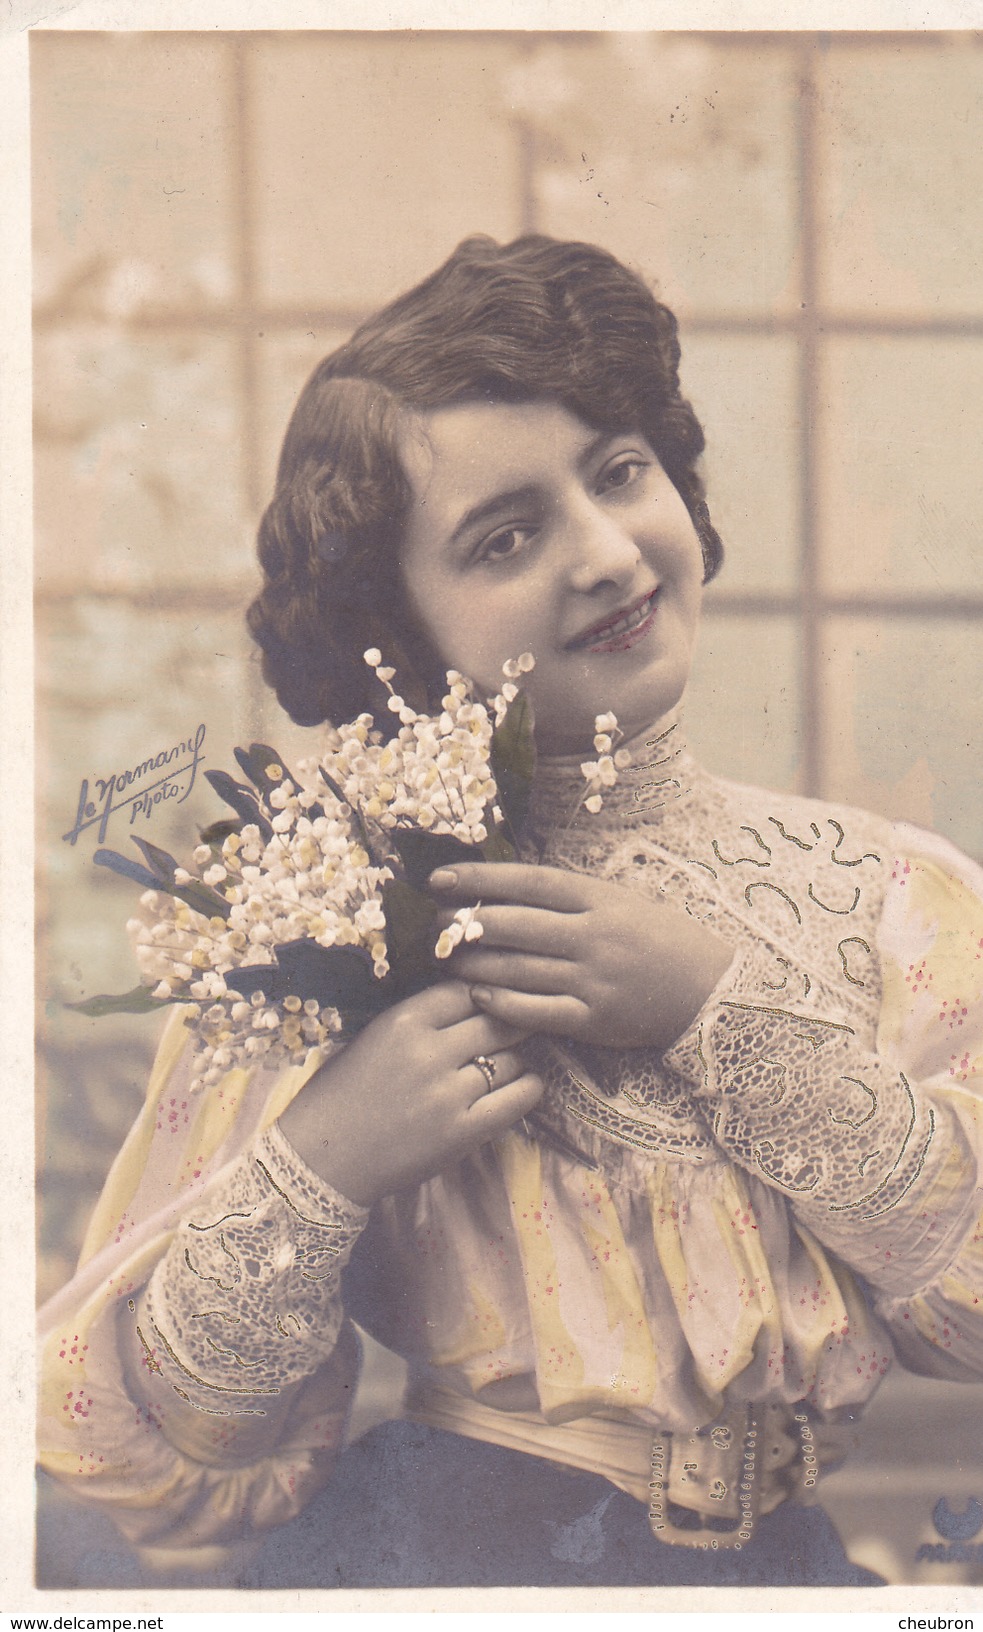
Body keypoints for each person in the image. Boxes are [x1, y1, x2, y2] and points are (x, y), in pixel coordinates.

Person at [37, 235, 983, 1589]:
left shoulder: (884, 896)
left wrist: (717, 1014)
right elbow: (183, 1422)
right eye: (504, 537)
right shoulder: (339, 908)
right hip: (444, 1564)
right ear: (401, 632)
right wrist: (327, 1154)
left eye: (617, 472)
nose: (602, 555)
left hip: (786, 1576)